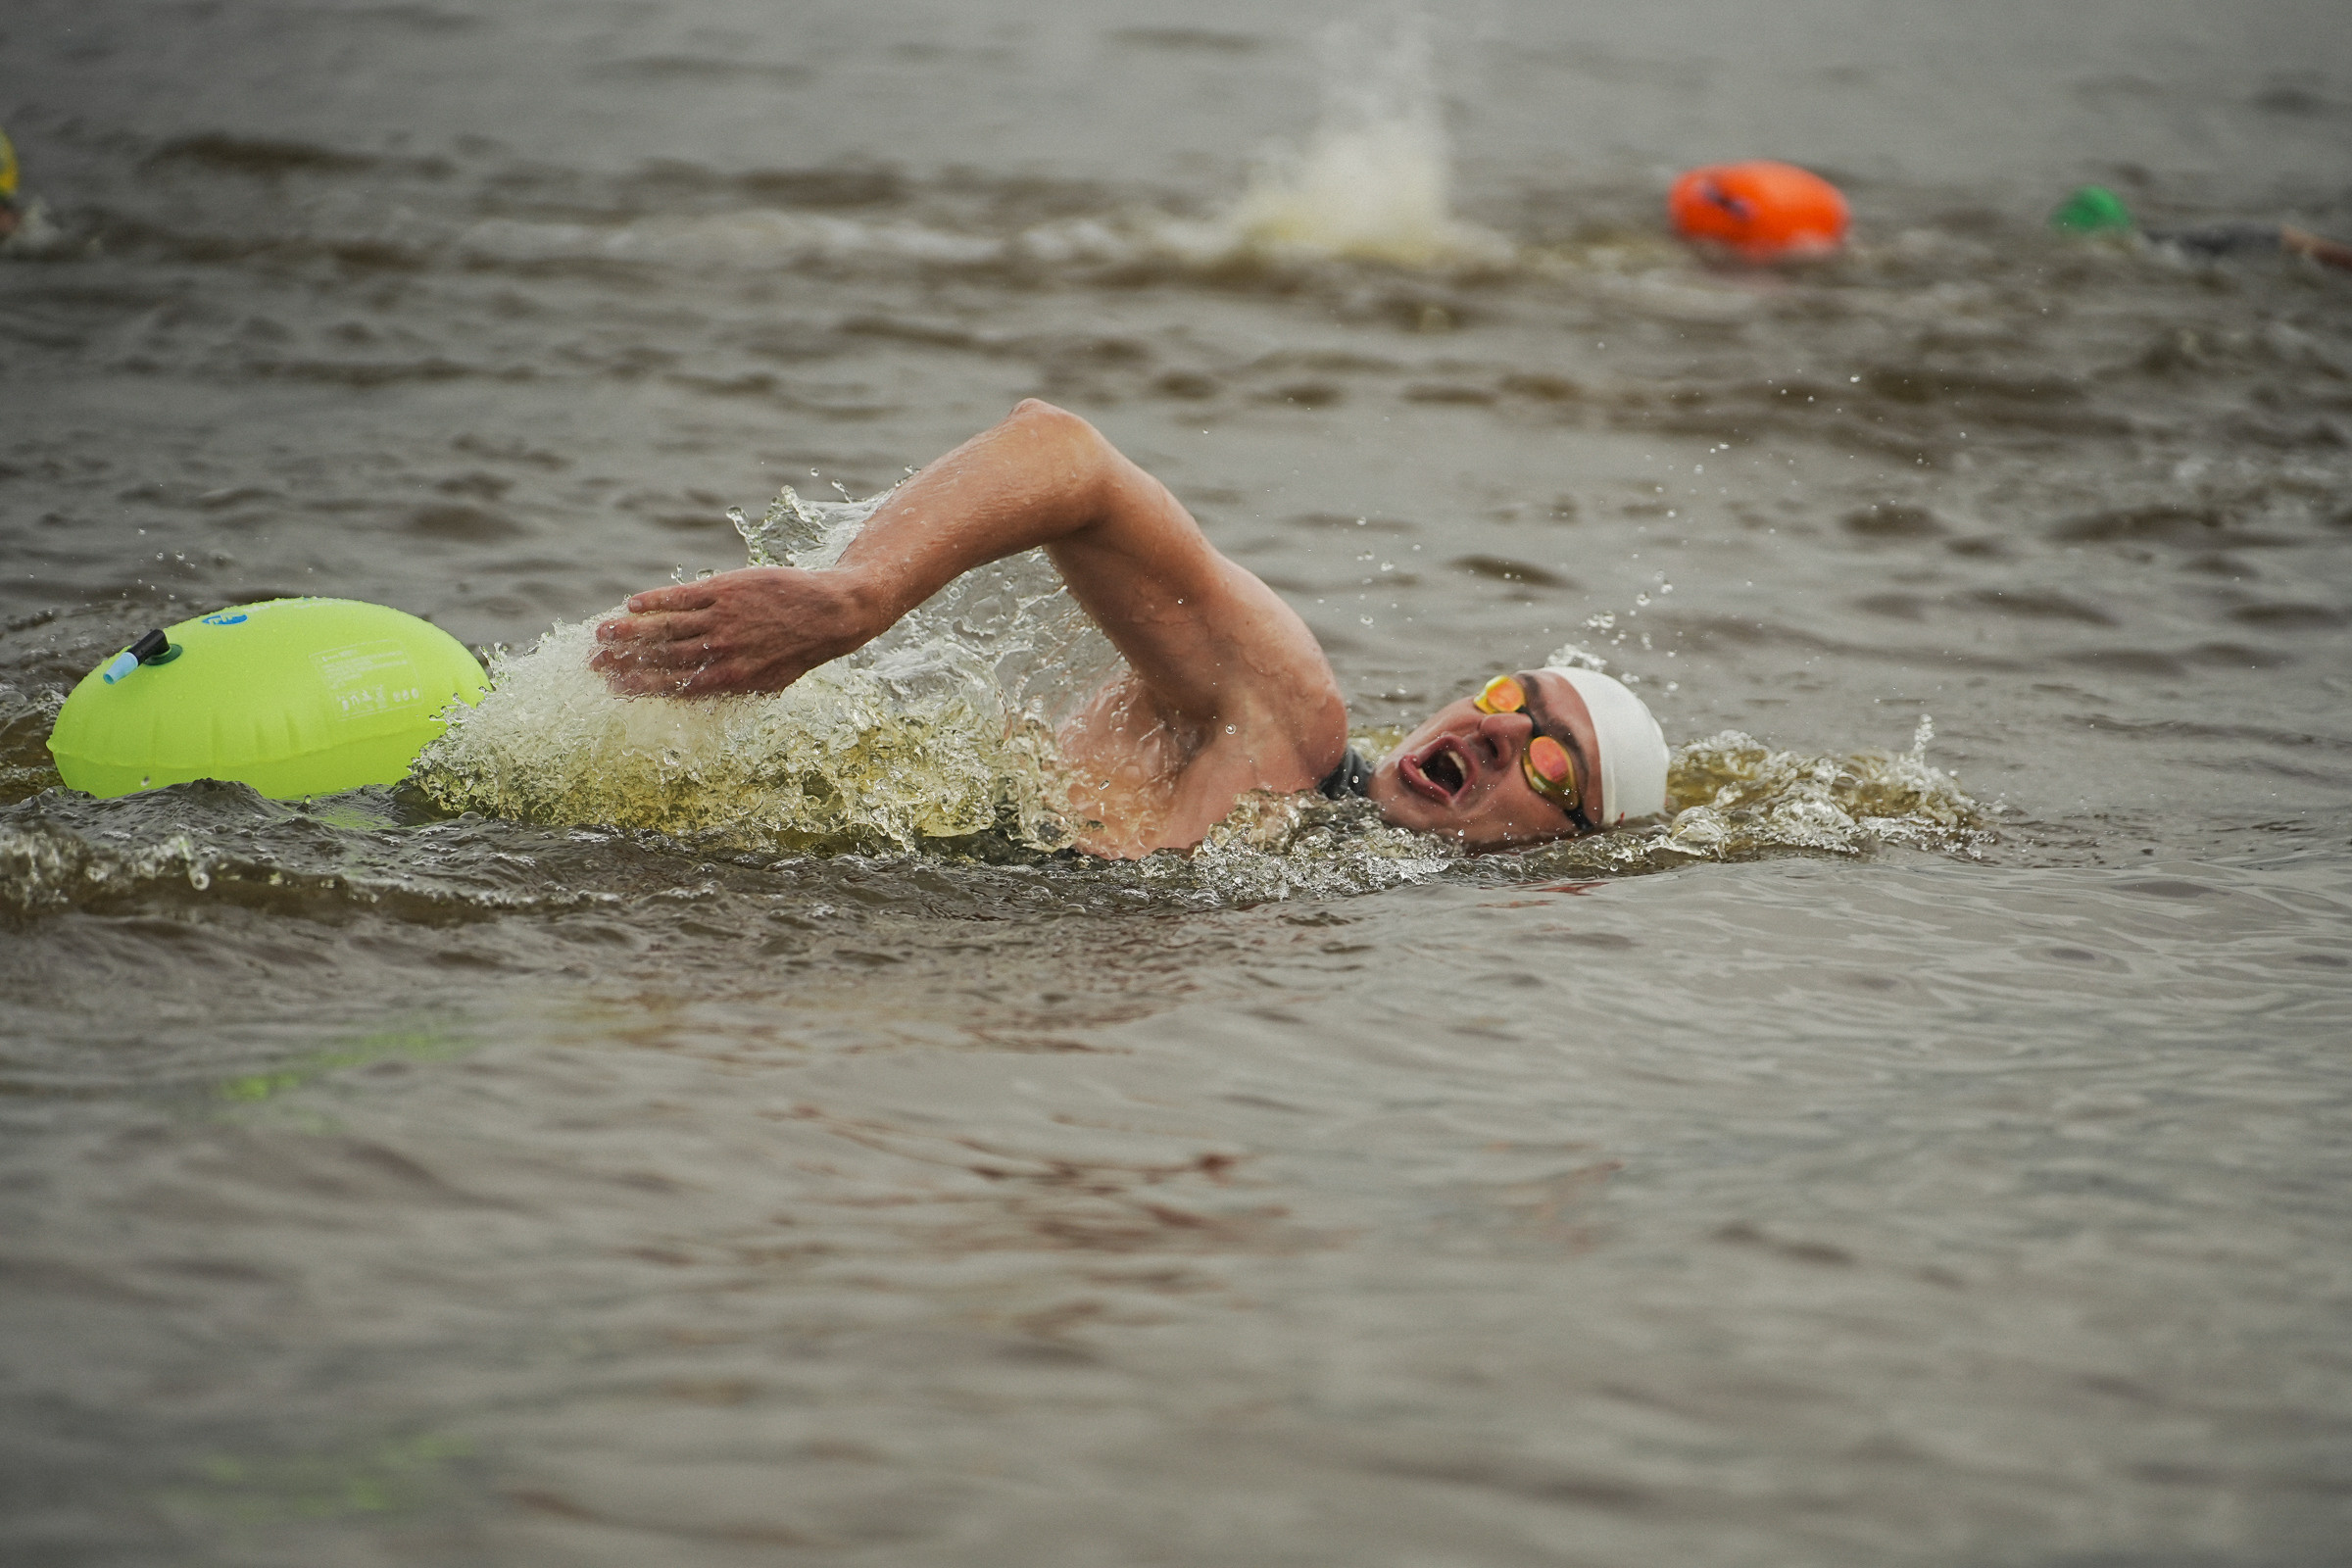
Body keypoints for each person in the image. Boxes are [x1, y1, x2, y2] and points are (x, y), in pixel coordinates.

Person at [592, 400, 1668, 858]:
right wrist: (857, 599)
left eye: (1547, 757)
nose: (1497, 731)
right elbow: (1064, 452)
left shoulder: (1341, 872)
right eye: (1504, 699)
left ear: (1571, 855)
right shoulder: (1289, 727)